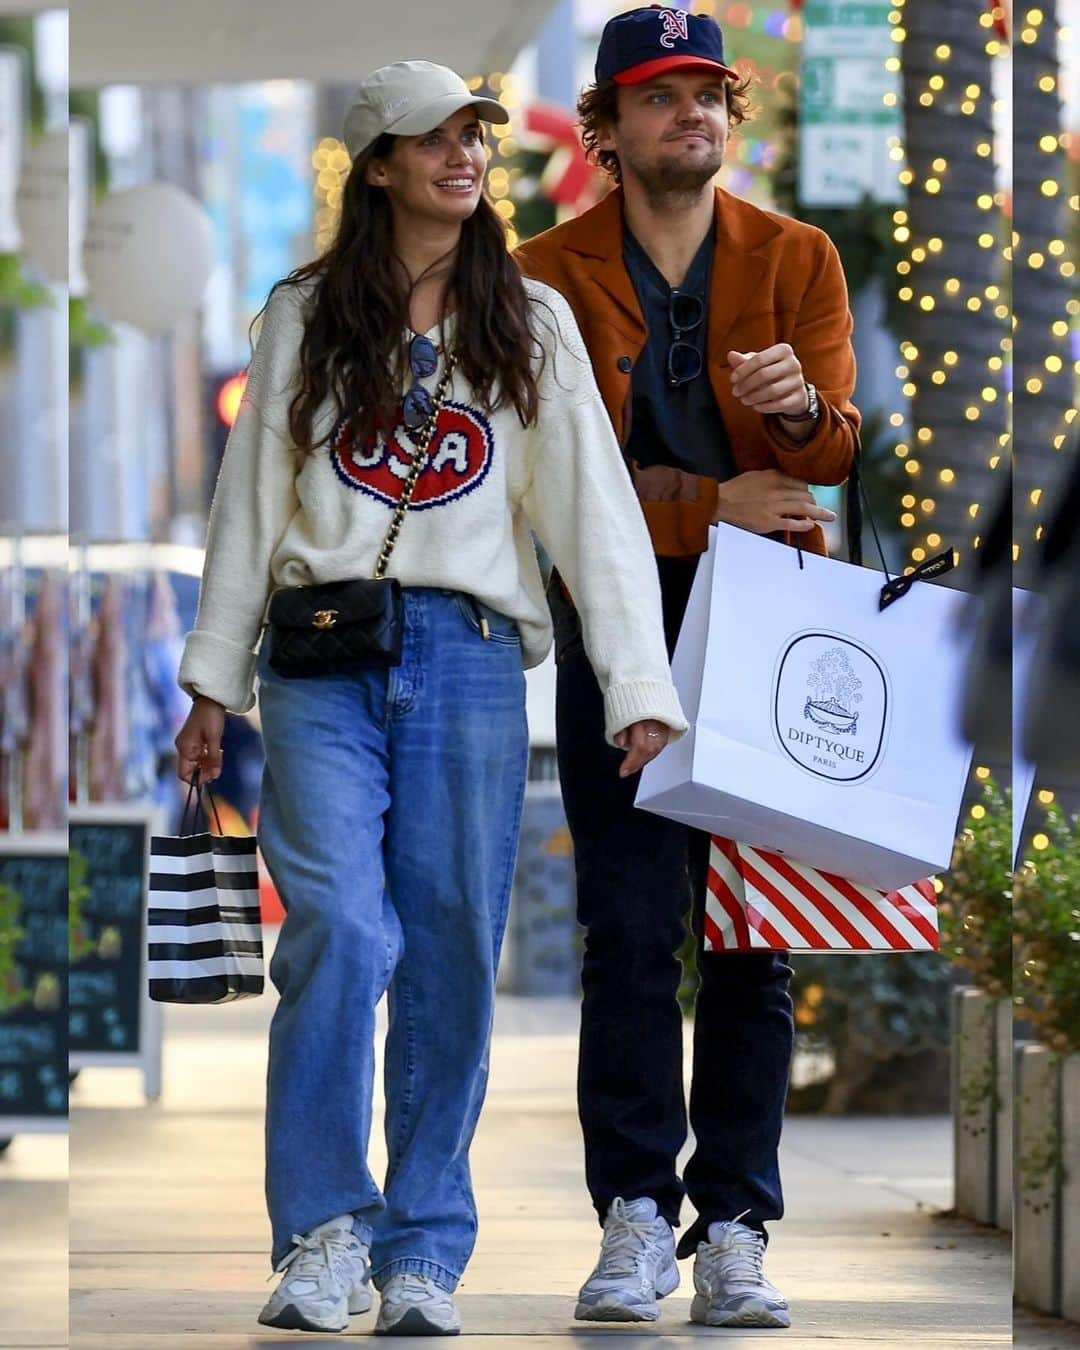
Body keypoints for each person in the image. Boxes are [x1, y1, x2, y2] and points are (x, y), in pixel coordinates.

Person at [173, 59, 687, 1338]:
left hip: (465, 655)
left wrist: (636, 683)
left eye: (476, 135)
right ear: (382, 165)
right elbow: (251, 507)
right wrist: (209, 683)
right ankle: (323, 1234)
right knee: (342, 931)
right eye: (437, 137)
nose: (466, 154)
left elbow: (593, 514)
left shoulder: (529, 319)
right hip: (320, 660)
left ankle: (423, 1250)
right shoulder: (304, 313)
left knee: (452, 947)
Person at [516, 5, 860, 1330]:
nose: (692, 115)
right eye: (660, 96)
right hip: (622, 620)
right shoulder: (540, 274)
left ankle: (739, 1228)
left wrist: (795, 413)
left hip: (770, 617)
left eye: (709, 93)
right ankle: (633, 1214)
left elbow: (828, 455)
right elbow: (561, 484)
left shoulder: (799, 256)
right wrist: (711, 502)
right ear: (605, 126)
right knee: (629, 925)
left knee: (755, 934)